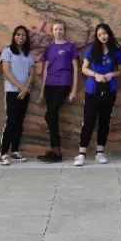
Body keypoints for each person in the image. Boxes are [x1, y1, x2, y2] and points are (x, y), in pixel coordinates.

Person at [75, 23, 121, 166]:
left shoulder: (116, 51)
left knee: (105, 120)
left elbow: (120, 70)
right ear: (97, 37)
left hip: (110, 89)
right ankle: (81, 153)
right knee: (89, 120)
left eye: (105, 33)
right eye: (100, 34)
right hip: (93, 89)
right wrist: (95, 75)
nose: (103, 36)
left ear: (109, 33)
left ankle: (100, 152)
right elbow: (84, 69)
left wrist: (111, 74)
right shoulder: (92, 49)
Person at [36, 20, 79, 163]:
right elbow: (46, 71)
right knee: (52, 117)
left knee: (50, 114)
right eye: (55, 29)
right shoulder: (50, 48)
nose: (58, 32)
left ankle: (56, 151)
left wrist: (73, 90)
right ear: (52, 31)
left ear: (64, 31)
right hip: (50, 85)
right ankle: (55, 151)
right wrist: (42, 91)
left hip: (63, 84)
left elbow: (76, 69)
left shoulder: (70, 46)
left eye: (61, 29)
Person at [0, 26, 36, 165]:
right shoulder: (7, 51)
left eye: (23, 35)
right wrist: (21, 87)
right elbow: (6, 72)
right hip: (12, 92)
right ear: (14, 36)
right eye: (18, 34)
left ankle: (14, 151)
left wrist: (25, 89)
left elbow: (31, 73)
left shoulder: (28, 54)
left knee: (19, 122)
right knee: (11, 121)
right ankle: (3, 153)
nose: (20, 37)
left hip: (25, 93)